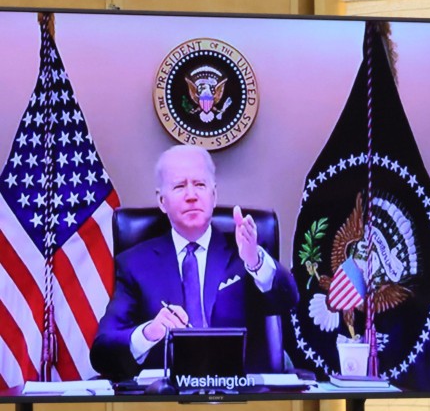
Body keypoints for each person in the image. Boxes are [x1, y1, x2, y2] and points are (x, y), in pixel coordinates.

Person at [91, 145, 299, 379]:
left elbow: (287, 300)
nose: (191, 195)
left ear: (214, 195)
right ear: (162, 201)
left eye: (200, 185)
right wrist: (149, 333)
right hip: (164, 404)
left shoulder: (244, 254)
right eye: (179, 186)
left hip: (241, 400)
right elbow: (103, 351)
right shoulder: (135, 265)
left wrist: (255, 262)